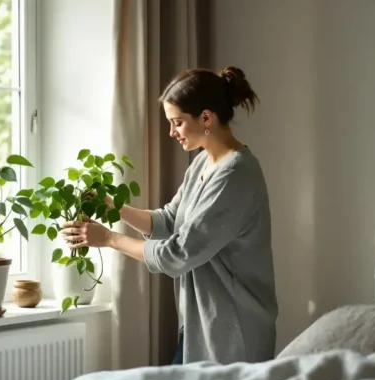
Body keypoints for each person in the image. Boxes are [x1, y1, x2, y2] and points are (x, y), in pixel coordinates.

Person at [61, 67, 278, 365]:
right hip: (200, 326)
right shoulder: (203, 162)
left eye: (177, 122)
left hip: (233, 333)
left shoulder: (235, 175)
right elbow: (168, 220)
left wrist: (110, 239)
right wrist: (113, 206)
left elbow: (178, 253)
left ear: (205, 118)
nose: (171, 133)